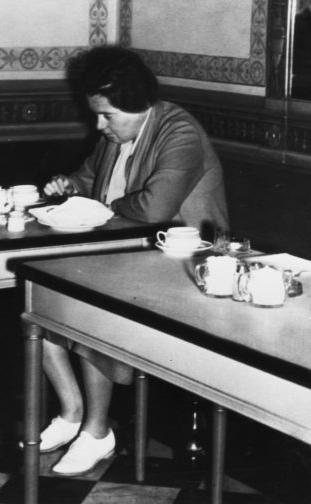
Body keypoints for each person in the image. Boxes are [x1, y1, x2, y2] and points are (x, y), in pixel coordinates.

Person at [39, 46, 228, 476]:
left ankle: (97, 429)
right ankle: (71, 413)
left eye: (107, 115)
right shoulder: (118, 135)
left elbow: (156, 208)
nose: (98, 125)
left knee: (87, 304)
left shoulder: (179, 132)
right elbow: (90, 177)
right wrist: (69, 182)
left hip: (185, 264)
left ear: (138, 105)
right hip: (129, 253)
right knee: (41, 296)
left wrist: (99, 209)